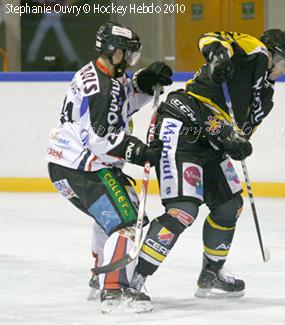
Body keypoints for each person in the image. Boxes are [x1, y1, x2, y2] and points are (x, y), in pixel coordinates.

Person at [128, 30, 285, 303]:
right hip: (183, 124)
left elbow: (242, 131)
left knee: (230, 205)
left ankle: (211, 272)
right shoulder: (254, 51)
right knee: (183, 210)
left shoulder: (266, 96)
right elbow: (209, 37)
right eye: (283, 64)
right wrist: (217, 56)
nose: (283, 71)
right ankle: (134, 279)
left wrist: (238, 143)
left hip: (212, 140)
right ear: (272, 55)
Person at [46, 21, 173, 314]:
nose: (129, 61)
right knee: (128, 221)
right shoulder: (102, 88)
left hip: (70, 164)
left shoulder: (103, 75)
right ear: (113, 52)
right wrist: (138, 150)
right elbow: (101, 139)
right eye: (127, 55)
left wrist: (143, 81)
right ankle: (114, 291)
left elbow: (123, 100)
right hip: (83, 168)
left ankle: (102, 274)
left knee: (123, 209)